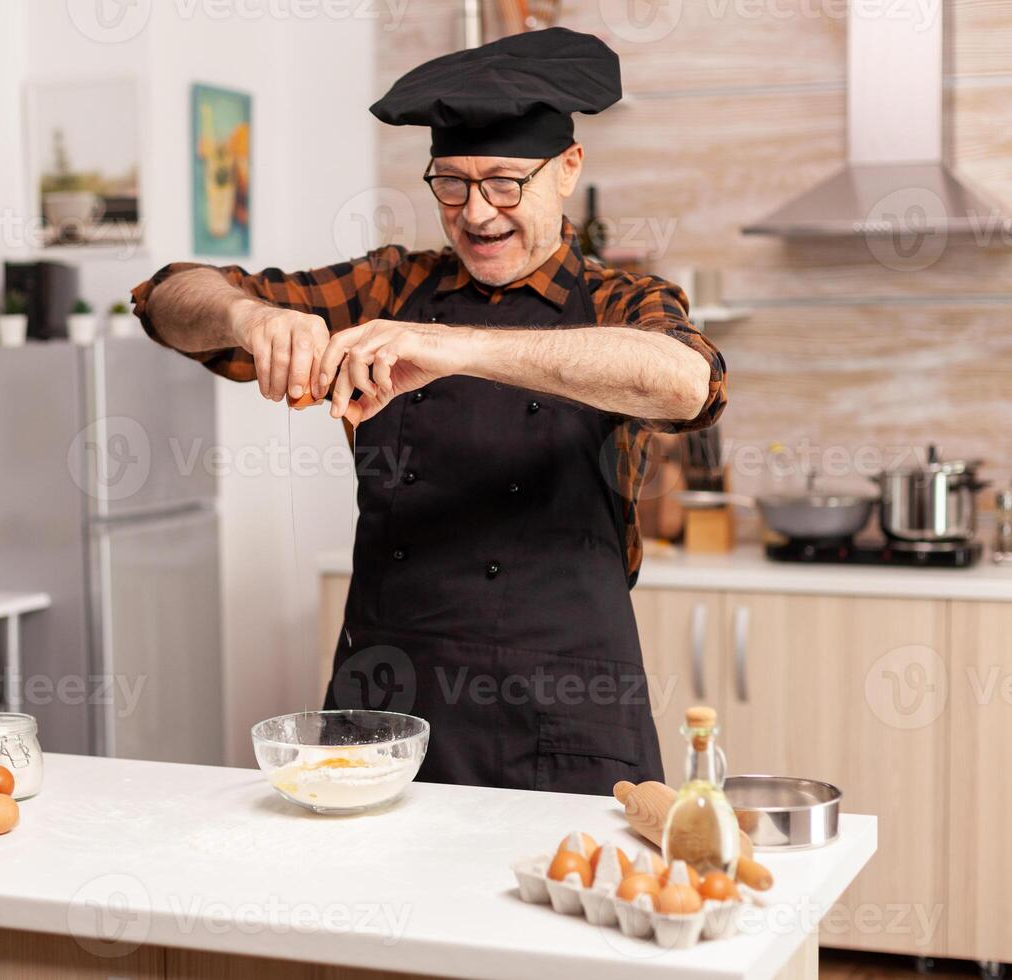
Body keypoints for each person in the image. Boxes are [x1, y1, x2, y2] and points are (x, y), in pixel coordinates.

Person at [131, 27, 726, 794]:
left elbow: (687, 381)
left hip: (569, 719)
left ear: (568, 169)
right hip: (383, 712)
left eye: (505, 182)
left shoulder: (621, 301)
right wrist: (250, 320)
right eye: (451, 183)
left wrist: (457, 349)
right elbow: (166, 296)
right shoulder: (387, 289)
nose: (477, 214)